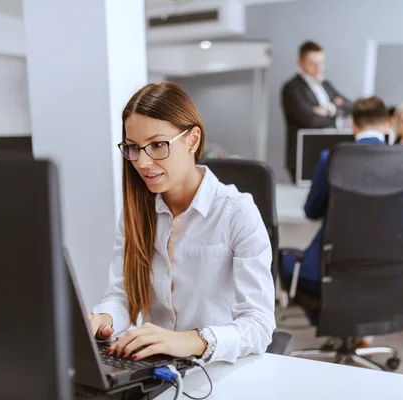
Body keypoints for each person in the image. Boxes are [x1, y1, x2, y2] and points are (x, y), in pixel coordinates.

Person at [88, 82, 276, 364]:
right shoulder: (136, 213)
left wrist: (188, 340)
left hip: (219, 368)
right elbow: (122, 296)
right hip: (155, 365)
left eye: (157, 145)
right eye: (133, 148)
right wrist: (103, 319)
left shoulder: (237, 212)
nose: (143, 163)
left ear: (192, 139)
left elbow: (259, 325)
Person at [280, 96, 403, 295]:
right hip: (390, 274)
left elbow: (311, 211)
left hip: (333, 273)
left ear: (353, 126)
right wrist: (401, 210)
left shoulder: (331, 159)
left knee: (285, 260)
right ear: (387, 124)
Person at [281, 41, 353, 182]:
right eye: (312, 63)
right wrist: (336, 114)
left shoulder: (325, 84)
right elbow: (310, 120)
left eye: (321, 63)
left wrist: (330, 109)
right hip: (304, 157)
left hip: (328, 154)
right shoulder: (292, 88)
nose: (318, 68)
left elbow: (350, 106)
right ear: (300, 62)